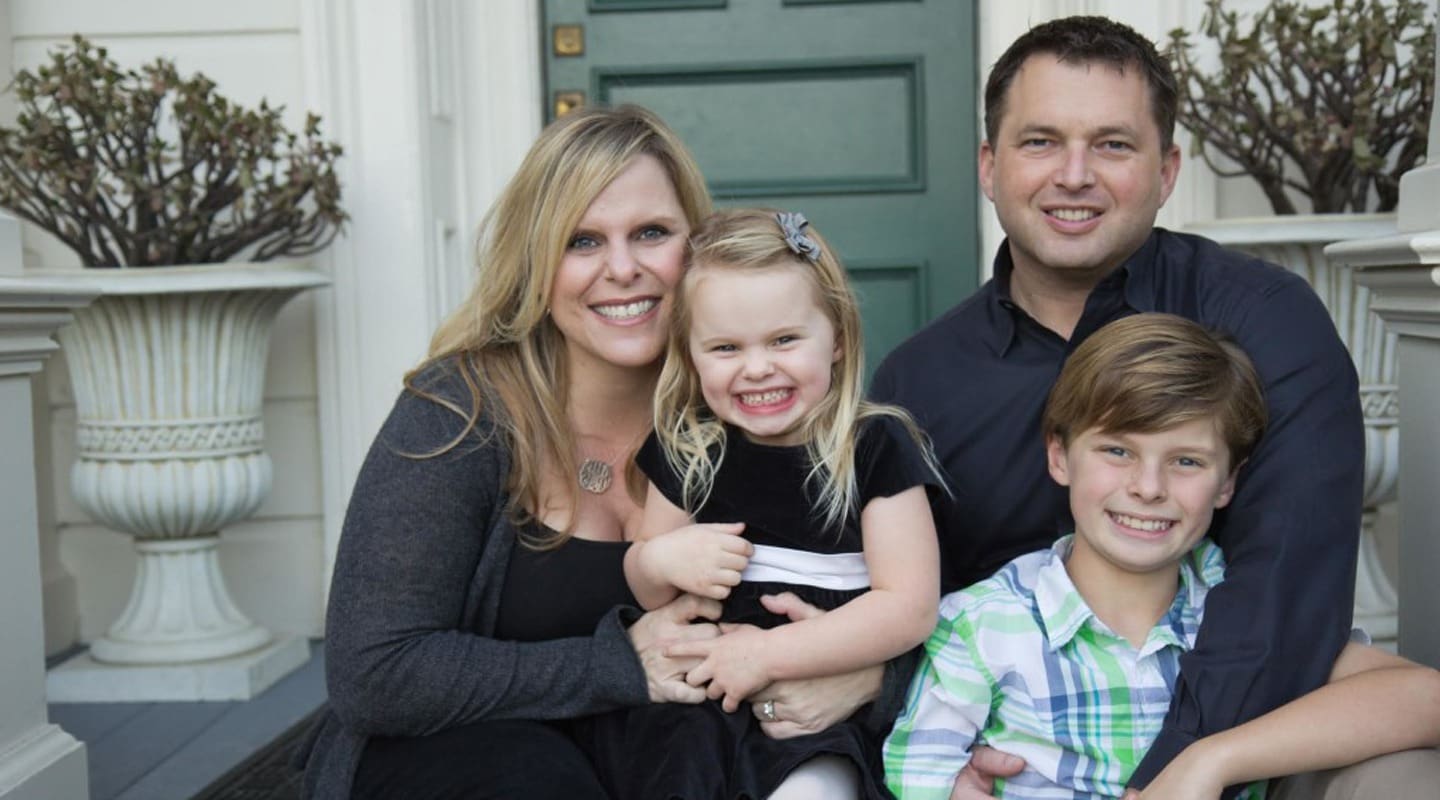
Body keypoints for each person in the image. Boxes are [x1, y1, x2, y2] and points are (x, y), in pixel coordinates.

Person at [869, 14, 1440, 798]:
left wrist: (1186, 770)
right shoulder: (919, 382)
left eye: (1112, 144)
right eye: (1039, 142)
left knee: (1405, 779)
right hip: (1020, 756)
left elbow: (1285, 595)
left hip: (1251, 740)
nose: (1074, 175)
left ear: (1167, 170)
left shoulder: (1266, 319)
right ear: (988, 165)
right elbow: (903, 608)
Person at [298, 105, 730, 799]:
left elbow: (860, 586)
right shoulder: (456, 414)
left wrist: (848, 675)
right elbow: (375, 673)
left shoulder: (741, 406)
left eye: (651, 232)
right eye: (582, 242)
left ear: (696, 244)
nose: (623, 269)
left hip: (662, 751)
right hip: (463, 751)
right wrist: (617, 666)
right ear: (537, 261)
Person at [883, 313, 1440, 799]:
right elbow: (919, 772)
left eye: (1188, 462)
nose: (1148, 487)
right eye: (1118, 451)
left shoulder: (1240, 613)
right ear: (1060, 457)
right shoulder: (983, 626)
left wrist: (1211, 760)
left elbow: (1426, 699)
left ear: (1227, 484)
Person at [583, 208, 946, 799]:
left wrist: (770, 654)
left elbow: (908, 607)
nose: (757, 369)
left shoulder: (873, 447)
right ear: (691, 356)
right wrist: (655, 563)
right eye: (726, 347)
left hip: (816, 705)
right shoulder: (688, 451)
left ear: (837, 341)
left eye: (784, 340)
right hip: (700, 708)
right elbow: (649, 592)